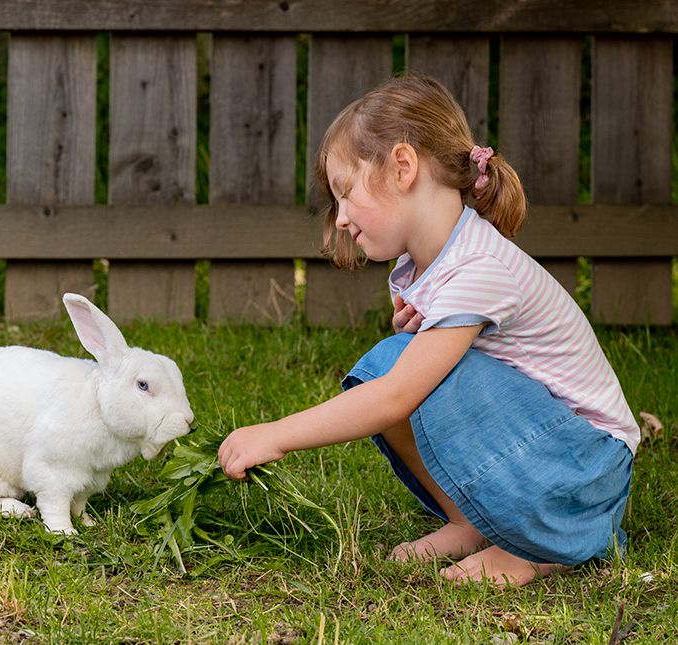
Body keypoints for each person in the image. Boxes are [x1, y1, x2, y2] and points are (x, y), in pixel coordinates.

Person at [218, 75, 638, 588]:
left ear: (402, 166)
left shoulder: (478, 266)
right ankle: (471, 520)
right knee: (390, 361)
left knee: (398, 376)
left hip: (585, 469)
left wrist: (274, 435)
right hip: (555, 451)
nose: (342, 217)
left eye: (345, 193)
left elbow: (396, 397)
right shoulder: (432, 264)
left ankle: (537, 545)